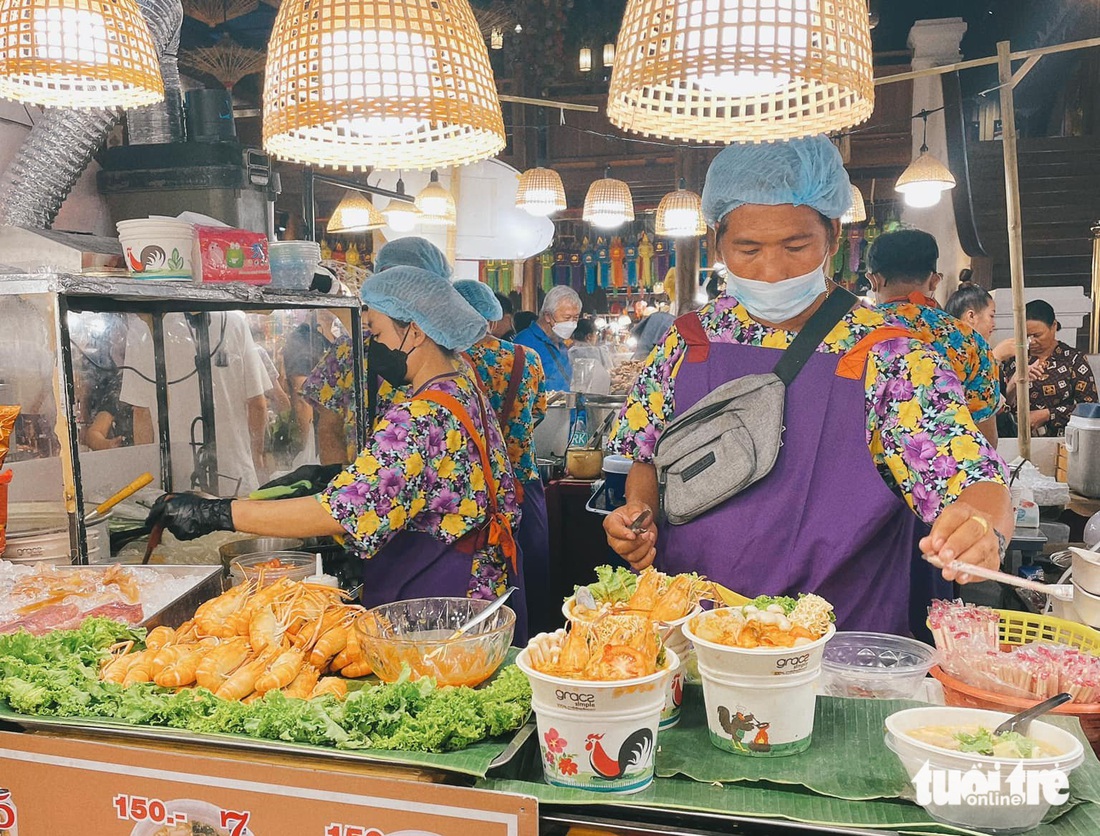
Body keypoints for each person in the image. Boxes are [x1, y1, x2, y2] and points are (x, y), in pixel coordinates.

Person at [603, 134, 1012, 636]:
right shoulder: (688, 341)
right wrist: (637, 515)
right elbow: (645, 453)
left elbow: (966, 468)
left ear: (833, 237)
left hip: (836, 644)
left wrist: (983, 524)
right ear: (717, 244)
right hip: (694, 632)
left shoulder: (888, 354)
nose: (772, 271)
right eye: (747, 249)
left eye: (796, 246)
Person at [145, 266, 528, 640]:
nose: (371, 346)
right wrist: (335, 476)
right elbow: (426, 480)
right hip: (477, 584)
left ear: (414, 331)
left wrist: (216, 512)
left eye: (375, 332)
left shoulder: (420, 416)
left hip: (441, 602)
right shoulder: (461, 383)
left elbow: (342, 513)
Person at [453, 279, 552, 634]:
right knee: (531, 568)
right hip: (522, 478)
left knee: (482, 577)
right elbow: (538, 411)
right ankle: (536, 643)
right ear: (491, 318)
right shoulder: (526, 358)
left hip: (473, 487)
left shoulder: (450, 364)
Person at [867, 229, 1000, 444]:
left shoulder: (850, 333)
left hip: (860, 472)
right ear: (934, 281)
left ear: (874, 281)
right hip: (945, 472)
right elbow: (984, 439)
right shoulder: (971, 341)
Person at [120, 311, 270, 495]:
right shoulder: (234, 319)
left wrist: (147, 481)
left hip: (175, 480)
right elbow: (257, 403)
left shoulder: (144, 325)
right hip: (236, 474)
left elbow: (142, 413)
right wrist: (257, 459)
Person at [1002, 299, 1099, 436]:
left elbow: (1090, 409)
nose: (1031, 341)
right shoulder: (1013, 359)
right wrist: (1013, 384)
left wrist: (1048, 414)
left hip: (1062, 441)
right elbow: (998, 404)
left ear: (1053, 326)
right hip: (1015, 438)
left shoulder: (1073, 360)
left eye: (1037, 335)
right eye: (1025, 335)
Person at [514, 286, 582, 392]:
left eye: (576, 318)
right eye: (567, 318)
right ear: (548, 316)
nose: (572, 323)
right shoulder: (524, 343)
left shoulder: (561, 343)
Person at [945, 284, 1015, 363]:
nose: (994, 324)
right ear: (971, 316)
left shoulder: (978, 349)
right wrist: (995, 357)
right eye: (991, 316)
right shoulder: (951, 349)